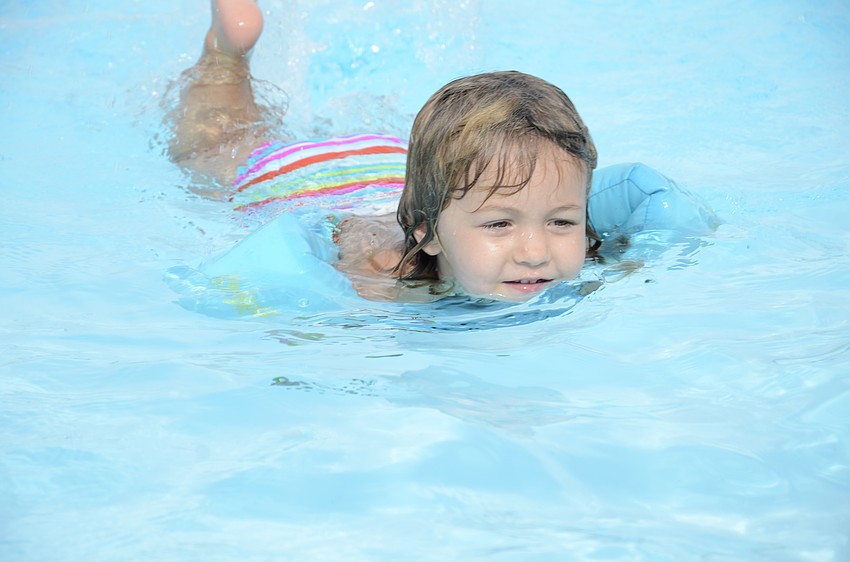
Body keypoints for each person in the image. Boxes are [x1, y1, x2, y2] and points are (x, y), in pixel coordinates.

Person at [166, 0, 715, 303]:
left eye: (562, 221)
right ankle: (226, 54)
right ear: (424, 233)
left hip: (394, 163)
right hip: (296, 181)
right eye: (500, 226)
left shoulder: (581, 255)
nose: (535, 250)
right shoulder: (382, 284)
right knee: (213, 147)